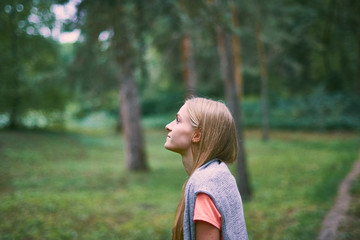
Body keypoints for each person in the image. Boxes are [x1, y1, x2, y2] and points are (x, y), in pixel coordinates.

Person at [164, 97, 248, 240]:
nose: (168, 126)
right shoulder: (218, 175)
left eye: (178, 120)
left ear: (197, 135)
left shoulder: (204, 187)